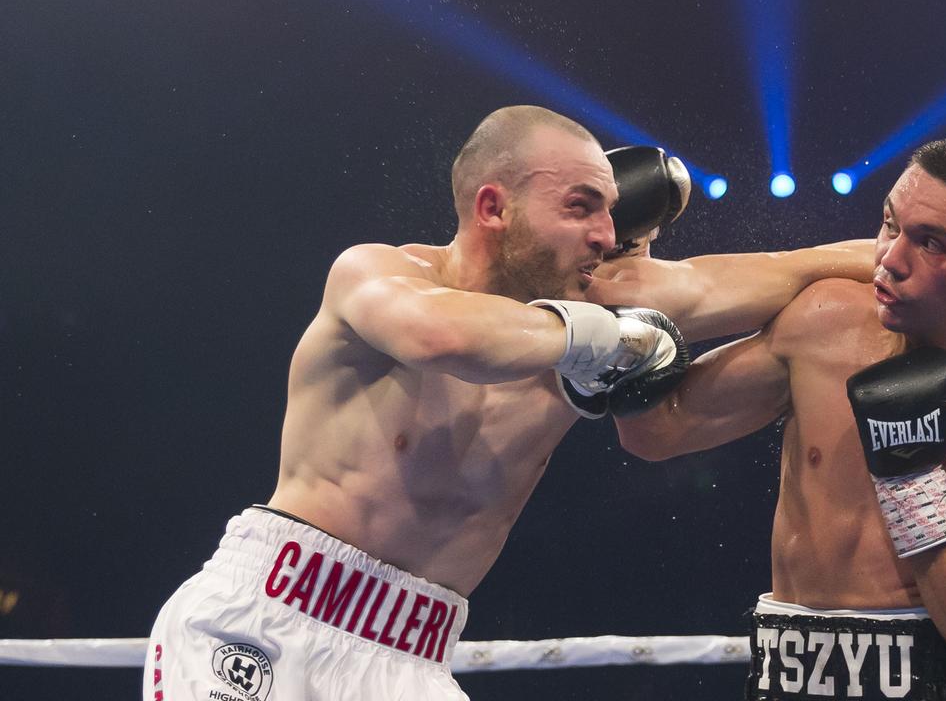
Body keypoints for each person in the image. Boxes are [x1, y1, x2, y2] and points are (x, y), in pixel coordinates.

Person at [142, 104, 884, 701]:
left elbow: (798, 269)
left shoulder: (606, 299)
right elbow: (439, 335)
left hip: (409, 655)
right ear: (494, 206)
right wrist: (598, 337)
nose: (607, 236)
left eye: (616, 215)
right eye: (583, 207)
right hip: (266, 617)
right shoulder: (377, 275)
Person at [615, 138, 946, 700]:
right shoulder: (825, 321)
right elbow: (657, 432)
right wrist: (626, 330)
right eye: (890, 225)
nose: (891, 258)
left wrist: (911, 480)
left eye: (931, 243)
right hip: (786, 677)